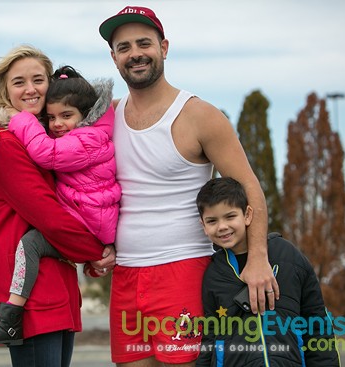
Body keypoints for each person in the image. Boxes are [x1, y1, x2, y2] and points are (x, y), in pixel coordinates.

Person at [98, 5, 278, 366]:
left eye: (144, 43)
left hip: (184, 270)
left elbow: (249, 189)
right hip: (126, 277)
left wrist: (258, 258)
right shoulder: (108, 115)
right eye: (124, 47)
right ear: (114, 57)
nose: (135, 53)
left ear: (164, 47)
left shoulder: (199, 115)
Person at [0, 45, 115, 366]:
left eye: (38, 79)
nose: (30, 89)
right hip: (30, 291)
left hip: (56, 278)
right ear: (5, 89)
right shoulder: (1, 140)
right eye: (19, 82)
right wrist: (96, 251)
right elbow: (46, 212)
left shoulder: (51, 137)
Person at [195, 177, 341, 366]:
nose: (222, 226)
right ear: (203, 226)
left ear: (247, 215)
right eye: (212, 220)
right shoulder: (213, 274)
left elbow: (317, 326)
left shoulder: (288, 257)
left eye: (230, 216)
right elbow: (210, 337)